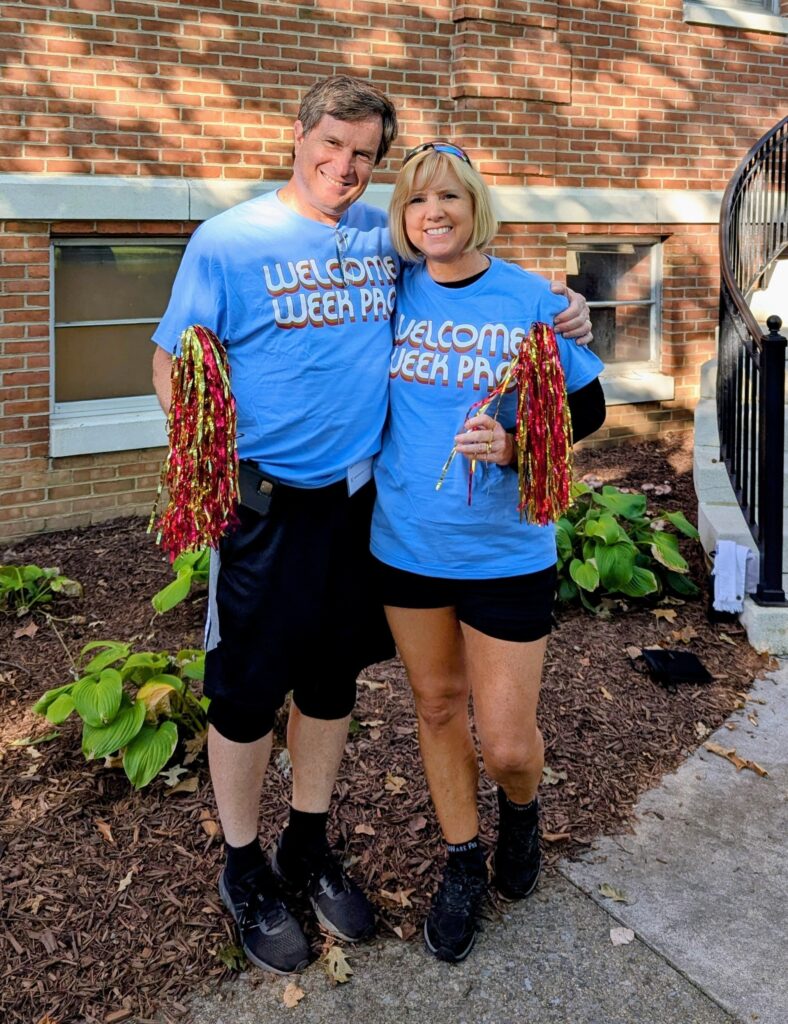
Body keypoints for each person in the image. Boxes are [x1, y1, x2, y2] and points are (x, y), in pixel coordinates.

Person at [151, 78, 593, 976]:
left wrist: (566, 304)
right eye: (332, 145)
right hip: (265, 506)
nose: (344, 167)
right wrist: (215, 469)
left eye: (363, 155)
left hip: (361, 509)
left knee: (329, 680)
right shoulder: (228, 242)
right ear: (299, 135)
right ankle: (244, 869)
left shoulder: (379, 239)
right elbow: (172, 362)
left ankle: (304, 848)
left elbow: (467, 266)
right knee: (243, 693)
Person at [370, 141, 606, 963]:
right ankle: (462, 860)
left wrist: (512, 444)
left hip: (506, 550)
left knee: (506, 743)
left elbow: (592, 410)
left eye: (449, 199)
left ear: (476, 208)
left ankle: (522, 809)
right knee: (436, 707)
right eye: (415, 202)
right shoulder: (389, 293)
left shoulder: (528, 299)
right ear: (403, 218)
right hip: (405, 544)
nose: (432, 214)